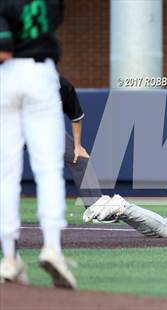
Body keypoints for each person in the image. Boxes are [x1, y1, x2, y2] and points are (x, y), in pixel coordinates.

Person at [0, 0, 76, 289]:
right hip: (42, 73)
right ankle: (52, 248)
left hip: (6, 78)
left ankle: (9, 257)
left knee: (6, 172)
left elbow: (4, 49)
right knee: (49, 168)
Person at [59, 76, 103, 209]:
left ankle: (96, 209)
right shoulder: (16, 81)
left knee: (80, 159)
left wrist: (77, 147)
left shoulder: (63, 85)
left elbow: (75, 117)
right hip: (11, 128)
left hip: (47, 132)